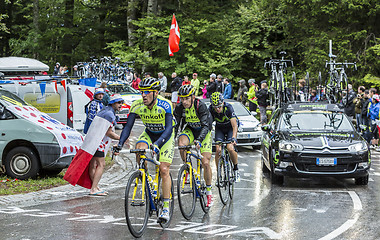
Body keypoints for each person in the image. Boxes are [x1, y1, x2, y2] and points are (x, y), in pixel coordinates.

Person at [116, 77, 175, 221]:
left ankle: (166, 207)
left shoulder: (165, 104)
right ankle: (146, 177)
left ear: (156, 93)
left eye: (147, 92)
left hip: (165, 136)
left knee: (164, 169)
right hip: (149, 133)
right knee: (139, 148)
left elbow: (168, 128)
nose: (143, 95)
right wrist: (119, 144)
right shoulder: (137, 105)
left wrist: (158, 144)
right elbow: (127, 127)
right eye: (142, 92)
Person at [64, 94, 123, 196]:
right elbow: (108, 132)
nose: (120, 105)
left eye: (121, 103)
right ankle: (94, 188)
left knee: (93, 165)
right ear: (112, 103)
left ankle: (94, 187)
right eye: (118, 103)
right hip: (98, 143)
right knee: (101, 165)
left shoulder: (104, 111)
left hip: (92, 141)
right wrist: (121, 138)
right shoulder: (110, 114)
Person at [174, 85, 214, 207]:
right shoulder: (180, 107)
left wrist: (199, 140)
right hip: (191, 129)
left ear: (192, 97)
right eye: (182, 99)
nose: (184, 102)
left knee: (205, 162)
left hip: (204, 131)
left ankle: (209, 192)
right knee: (181, 143)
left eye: (186, 99)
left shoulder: (200, 106)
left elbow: (206, 126)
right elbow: (176, 124)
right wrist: (172, 138)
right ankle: (187, 167)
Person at [209, 92, 240, 182]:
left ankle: (236, 169)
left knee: (230, 148)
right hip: (220, 128)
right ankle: (219, 173)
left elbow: (234, 126)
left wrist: (234, 138)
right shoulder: (211, 109)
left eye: (219, 106)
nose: (217, 109)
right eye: (215, 107)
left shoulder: (228, 108)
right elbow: (208, 124)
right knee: (218, 150)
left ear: (222, 103)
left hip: (230, 127)